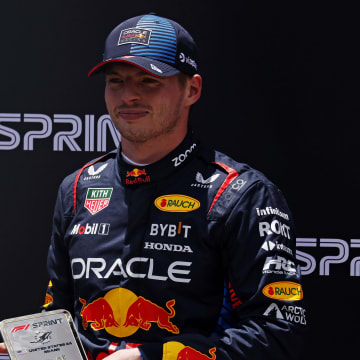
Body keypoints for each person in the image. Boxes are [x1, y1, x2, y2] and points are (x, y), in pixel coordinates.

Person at [0, 13, 305, 360]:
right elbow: (60, 317)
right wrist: (32, 347)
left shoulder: (240, 195)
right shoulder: (77, 188)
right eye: (116, 81)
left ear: (192, 89)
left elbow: (280, 334)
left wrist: (155, 357)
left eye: (148, 81)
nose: (128, 95)